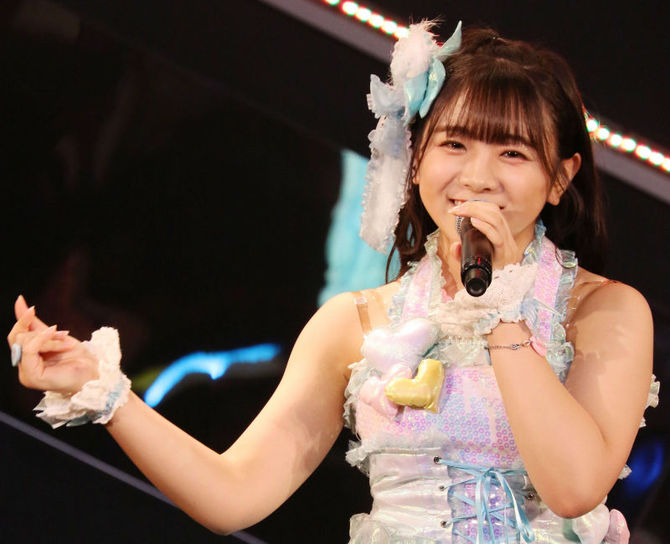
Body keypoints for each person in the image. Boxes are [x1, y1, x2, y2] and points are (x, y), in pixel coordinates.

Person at [7, 20, 658, 543]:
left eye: (511, 153)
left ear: (560, 177)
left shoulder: (604, 312)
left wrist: (497, 307)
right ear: (416, 158)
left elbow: (574, 488)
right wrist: (105, 393)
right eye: (455, 144)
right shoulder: (357, 321)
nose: (478, 176)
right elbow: (234, 495)